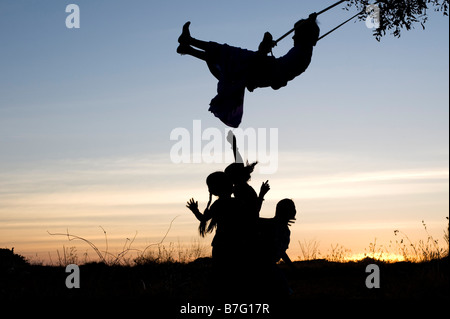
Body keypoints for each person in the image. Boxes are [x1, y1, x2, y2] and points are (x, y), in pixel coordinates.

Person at [177, 14, 320, 127]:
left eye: (296, 34)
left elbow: (279, 74)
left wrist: (264, 51)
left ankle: (189, 42)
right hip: (264, 71)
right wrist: (310, 21)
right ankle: (188, 47)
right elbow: (281, 76)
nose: (293, 36)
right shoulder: (304, 52)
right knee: (225, 58)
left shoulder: (303, 53)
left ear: (305, 36)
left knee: (225, 53)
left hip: (263, 70)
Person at [186, 171, 254, 299]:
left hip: (222, 245)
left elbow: (203, 218)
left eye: (210, 186)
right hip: (239, 244)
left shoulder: (218, 204)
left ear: (216, 188)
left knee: (220, 274)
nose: (209, 189)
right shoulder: (238, 202)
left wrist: (195, 210)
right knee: (236, 274)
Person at [256, 198, 297, 298]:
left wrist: (292, 266)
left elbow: (281, 251)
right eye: (292, 208)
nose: (295, 211)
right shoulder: (268, 225)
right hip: (263, 267)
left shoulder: (283, 230)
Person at [225, 131, 270, 221]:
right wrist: (261, 194)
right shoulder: (240, 189)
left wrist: (234, 145)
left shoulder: (238, 188)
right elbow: (255, 211)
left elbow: (239, 163)